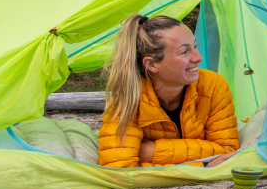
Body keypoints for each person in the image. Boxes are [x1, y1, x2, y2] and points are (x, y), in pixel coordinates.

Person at [98, 14, 240, 168]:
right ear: (151, 64)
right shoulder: (130, 97)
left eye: (195, 47)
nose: (198, 57)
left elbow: (227, 152)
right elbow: (119, 168)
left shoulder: (213, 85)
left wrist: (147, 152)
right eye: (184, 52)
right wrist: (202, 166)